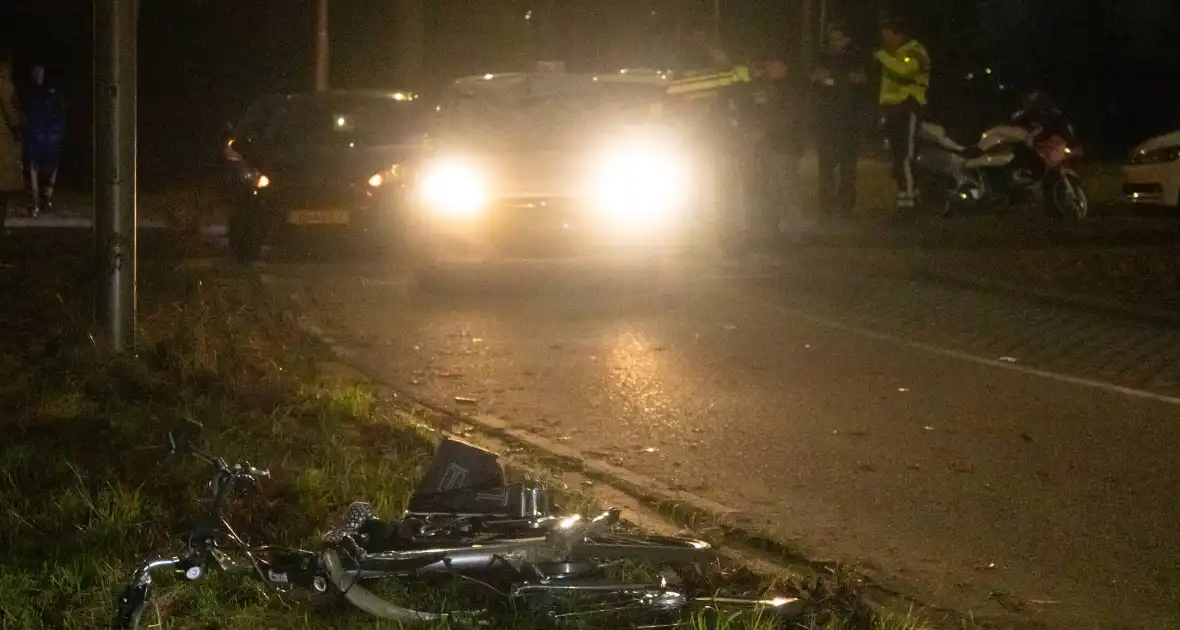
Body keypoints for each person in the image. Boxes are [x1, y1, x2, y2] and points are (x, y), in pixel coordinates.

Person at [810, 20, 869, 219]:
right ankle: (825, 206)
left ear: (847, 40)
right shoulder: (822, 57)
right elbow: (815, 81)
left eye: (839, 39)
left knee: (847, 168)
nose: (835, 43)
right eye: (832, 38)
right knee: (826, 166)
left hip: (849, 122)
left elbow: (859, 82)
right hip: (826, 121)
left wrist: (833, 80)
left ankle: (846, 207)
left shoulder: (856, 58)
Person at [747, 53, 807, 242]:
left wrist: (762, 130)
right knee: (771, 189)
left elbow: (789, 117)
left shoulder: (791, 89)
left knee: (787, 188)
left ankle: (794, 230)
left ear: (784, 68)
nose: (770, 69)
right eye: (768, 66)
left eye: (774, 65)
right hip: (769, 146)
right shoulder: (765, 87)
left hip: (785, 145)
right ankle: (772, 229)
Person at [873, 17, 929, 217]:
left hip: (908, 109)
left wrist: (882, 56)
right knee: (898, 157)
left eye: (887, 35)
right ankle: (904, 198)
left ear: (898, 34)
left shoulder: (914, 52)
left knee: (906, 156)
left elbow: (905, 71)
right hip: (894, 111)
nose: (885, 40)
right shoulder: (896, 54)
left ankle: (910, 201)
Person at [19, 63, 66, 216]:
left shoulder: (48, 94)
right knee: (36, 169)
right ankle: (36, 202)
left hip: (45, 136)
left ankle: (43, 200)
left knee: (45, 169)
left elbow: (60, 114)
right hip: (39, 136)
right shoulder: (31, 93)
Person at [0, 56, 23, 221]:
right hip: (3, 137)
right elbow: (10, 111)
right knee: (3, 185)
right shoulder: (4, 84)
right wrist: (19, 124)